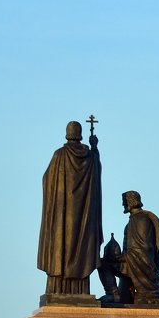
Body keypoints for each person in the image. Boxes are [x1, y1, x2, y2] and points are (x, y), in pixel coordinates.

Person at [38, 121, 102, 297]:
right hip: (84, 216)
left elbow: (47, 180)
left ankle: (58, 288)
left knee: (61, 246)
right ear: (80, 134)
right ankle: (79, 289)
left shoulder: (60, 155)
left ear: (67, 134)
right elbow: (96, 174)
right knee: (82, 246)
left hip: (62, 215)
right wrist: (95, 149)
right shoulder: (90, 157)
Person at [98, 190, 159, 305]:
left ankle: (114, 295)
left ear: (130, 202)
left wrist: (120, 258)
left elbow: (142, 249)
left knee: (102, 263)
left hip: (141, 265)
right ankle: (114, 293)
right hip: (131, 262)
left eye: (124, 202)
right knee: (100, 262)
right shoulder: (133, 220)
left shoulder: (141, 220)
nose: (123, 205)